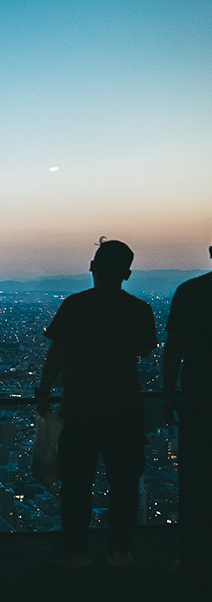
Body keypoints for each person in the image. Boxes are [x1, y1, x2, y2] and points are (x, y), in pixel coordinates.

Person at [36, 238, 157, 569]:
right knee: (125, 485)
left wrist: (44, 391)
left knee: (76, 485)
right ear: (127, 274)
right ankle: (119, 551)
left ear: (92, 267)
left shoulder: (75, 305)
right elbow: (146, 349)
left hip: (80, 408)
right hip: (126, 407)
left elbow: (57, 352)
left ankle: (76, 551)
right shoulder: (140, 310)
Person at [162, 244, 212, 583]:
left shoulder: (190, 291)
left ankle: (192, 559)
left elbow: (174, 349)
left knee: (195, 479)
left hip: (199, 395)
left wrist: (168, 395)